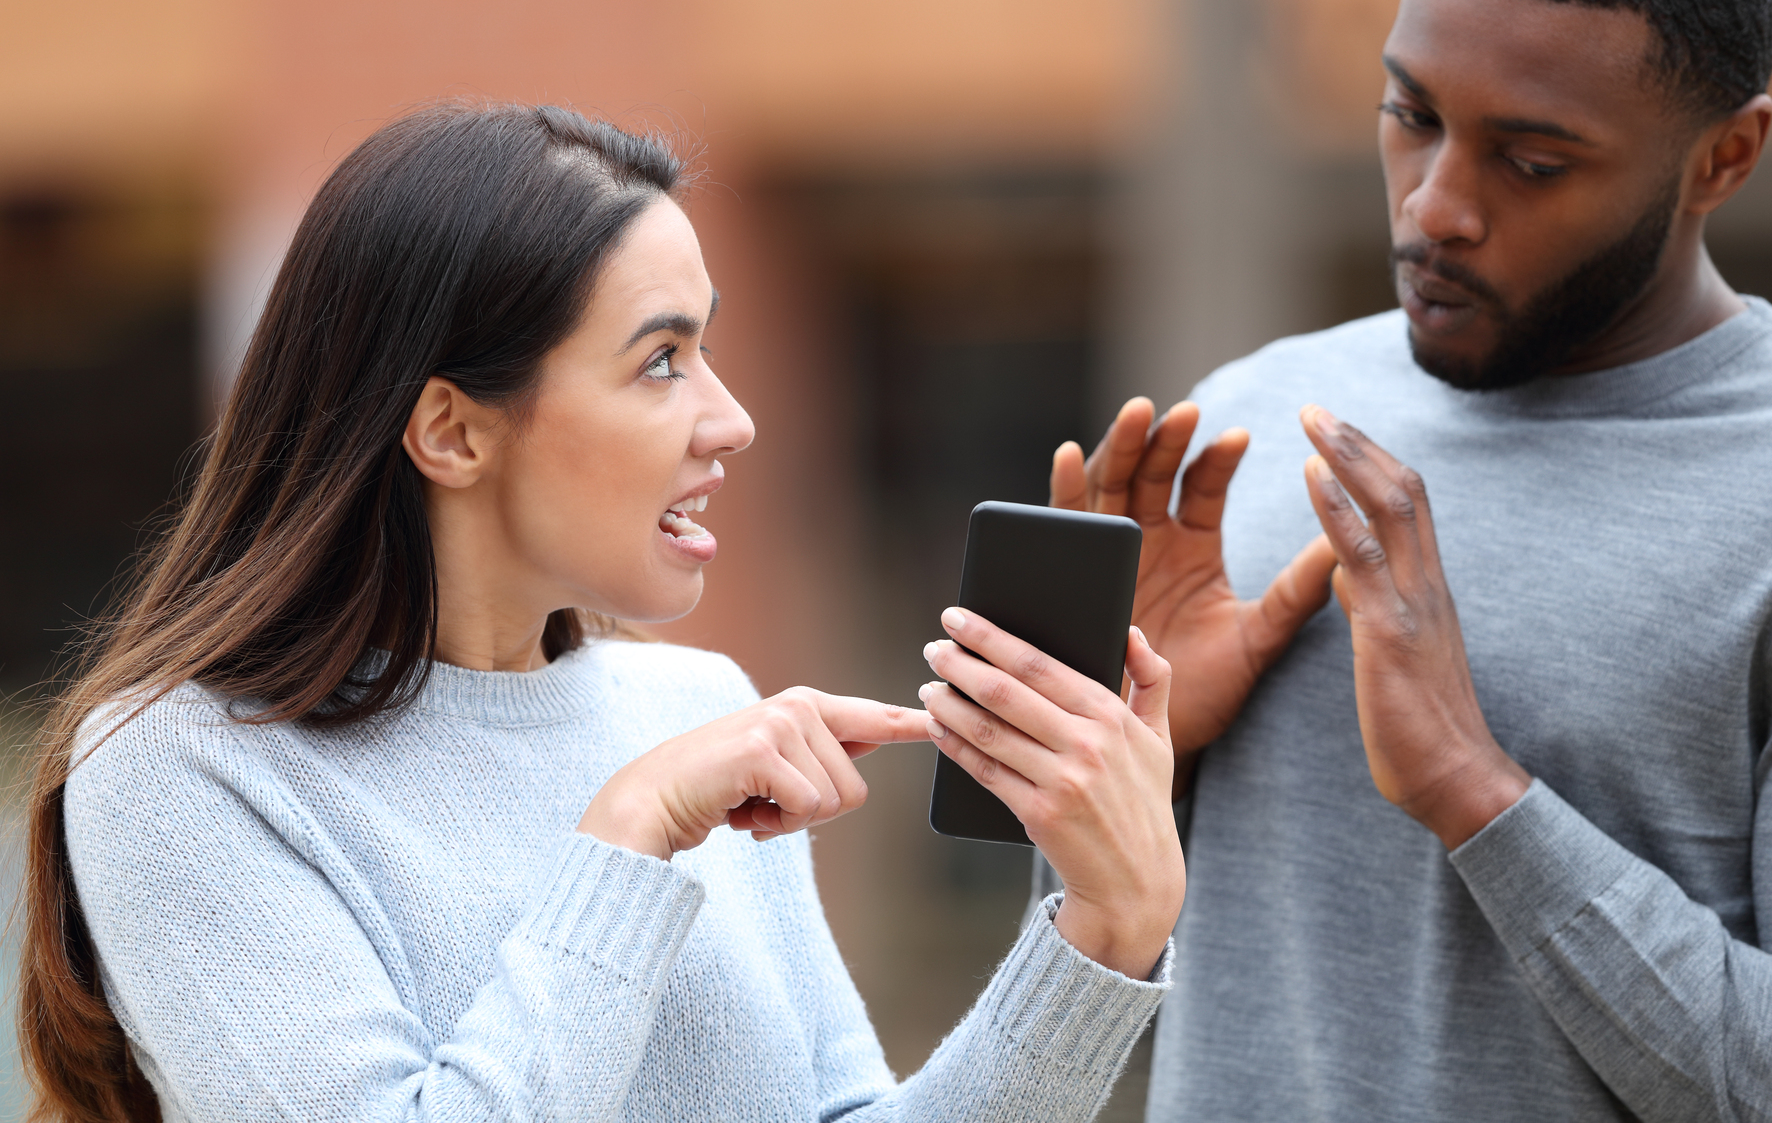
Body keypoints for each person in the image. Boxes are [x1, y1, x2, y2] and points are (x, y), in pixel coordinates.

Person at [1038, 0, 1772, 1122]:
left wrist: (1479, 793)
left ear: (1725, 157)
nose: (1437, 202)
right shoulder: (1251, 422)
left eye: (1532, 160)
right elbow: (1109, 978)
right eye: (1411, 116)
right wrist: (1137, 775)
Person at [17, 104, 1186, 1123]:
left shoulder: (696, 705)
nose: (731, 420)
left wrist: (1100, 931)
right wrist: (631, 828)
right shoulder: (181, 773)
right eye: (661, 360)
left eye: (706, 346)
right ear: (452, 432)